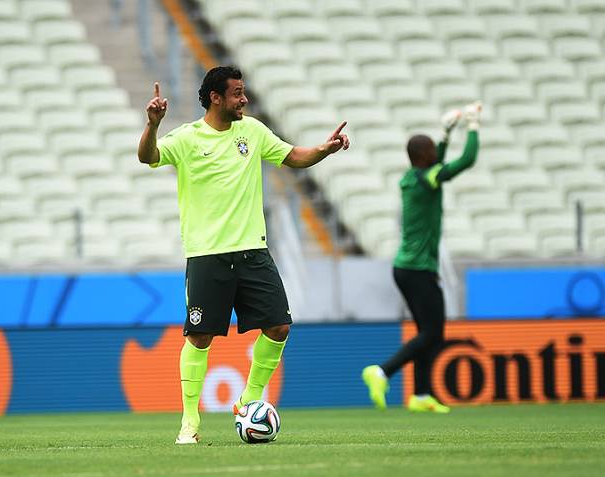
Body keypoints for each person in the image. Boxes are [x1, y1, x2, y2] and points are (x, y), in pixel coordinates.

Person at [137, 66, 350, 444]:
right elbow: (148, 157)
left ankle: (249, 401)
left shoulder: (251, 131)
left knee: (280, 326)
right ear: (216, 97)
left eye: (244, 92)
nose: (244, 99)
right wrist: (153, 124)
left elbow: (292, 156)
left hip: (253, 250)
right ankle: (189, 422)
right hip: (207, 255)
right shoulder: (187, 138)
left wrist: (324, 149)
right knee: (200, 338)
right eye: (237, 93)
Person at [362, 102, 482, 414]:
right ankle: (382, 372)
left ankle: (422, 394)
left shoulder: (412, 178)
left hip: (406, 267)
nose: (436, 153)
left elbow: (438, 161)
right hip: (418, 269)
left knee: (427, 333)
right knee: (433, 333)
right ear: (424, 156)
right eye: (432, 149)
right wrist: (472, 124)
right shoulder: (429, 178)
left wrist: (445, 133)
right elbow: (466, 161)